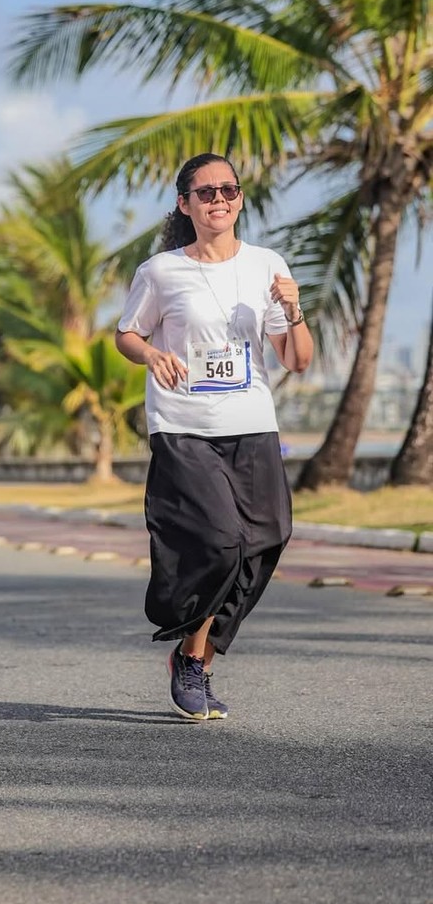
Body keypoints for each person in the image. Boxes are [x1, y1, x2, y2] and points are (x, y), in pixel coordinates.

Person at [115, 153, 314, 720]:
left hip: (251, 423)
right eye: (206, 193)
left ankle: (194, 656)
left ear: (240, 199)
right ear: (186, 204)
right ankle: (195, 661)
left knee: (269, 537)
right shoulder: (161, 271)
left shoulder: (265, 265)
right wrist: (152, 354)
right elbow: (126, 334)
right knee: (223, 542)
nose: (219, 200)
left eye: (228, 190)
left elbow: (296, 361)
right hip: (184, 426)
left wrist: (293, 311)